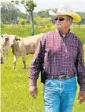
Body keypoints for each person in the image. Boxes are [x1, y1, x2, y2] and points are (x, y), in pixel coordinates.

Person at [29, 5, 85, 112]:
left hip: (70, 85)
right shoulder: (45, 38)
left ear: (70, 22)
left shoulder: (76, 41)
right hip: (51, 84)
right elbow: (36, 62)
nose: (57, 21)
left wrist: (83, 87)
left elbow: (80, 66)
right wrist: (32, 83)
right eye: (56, 18)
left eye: (61, 19)